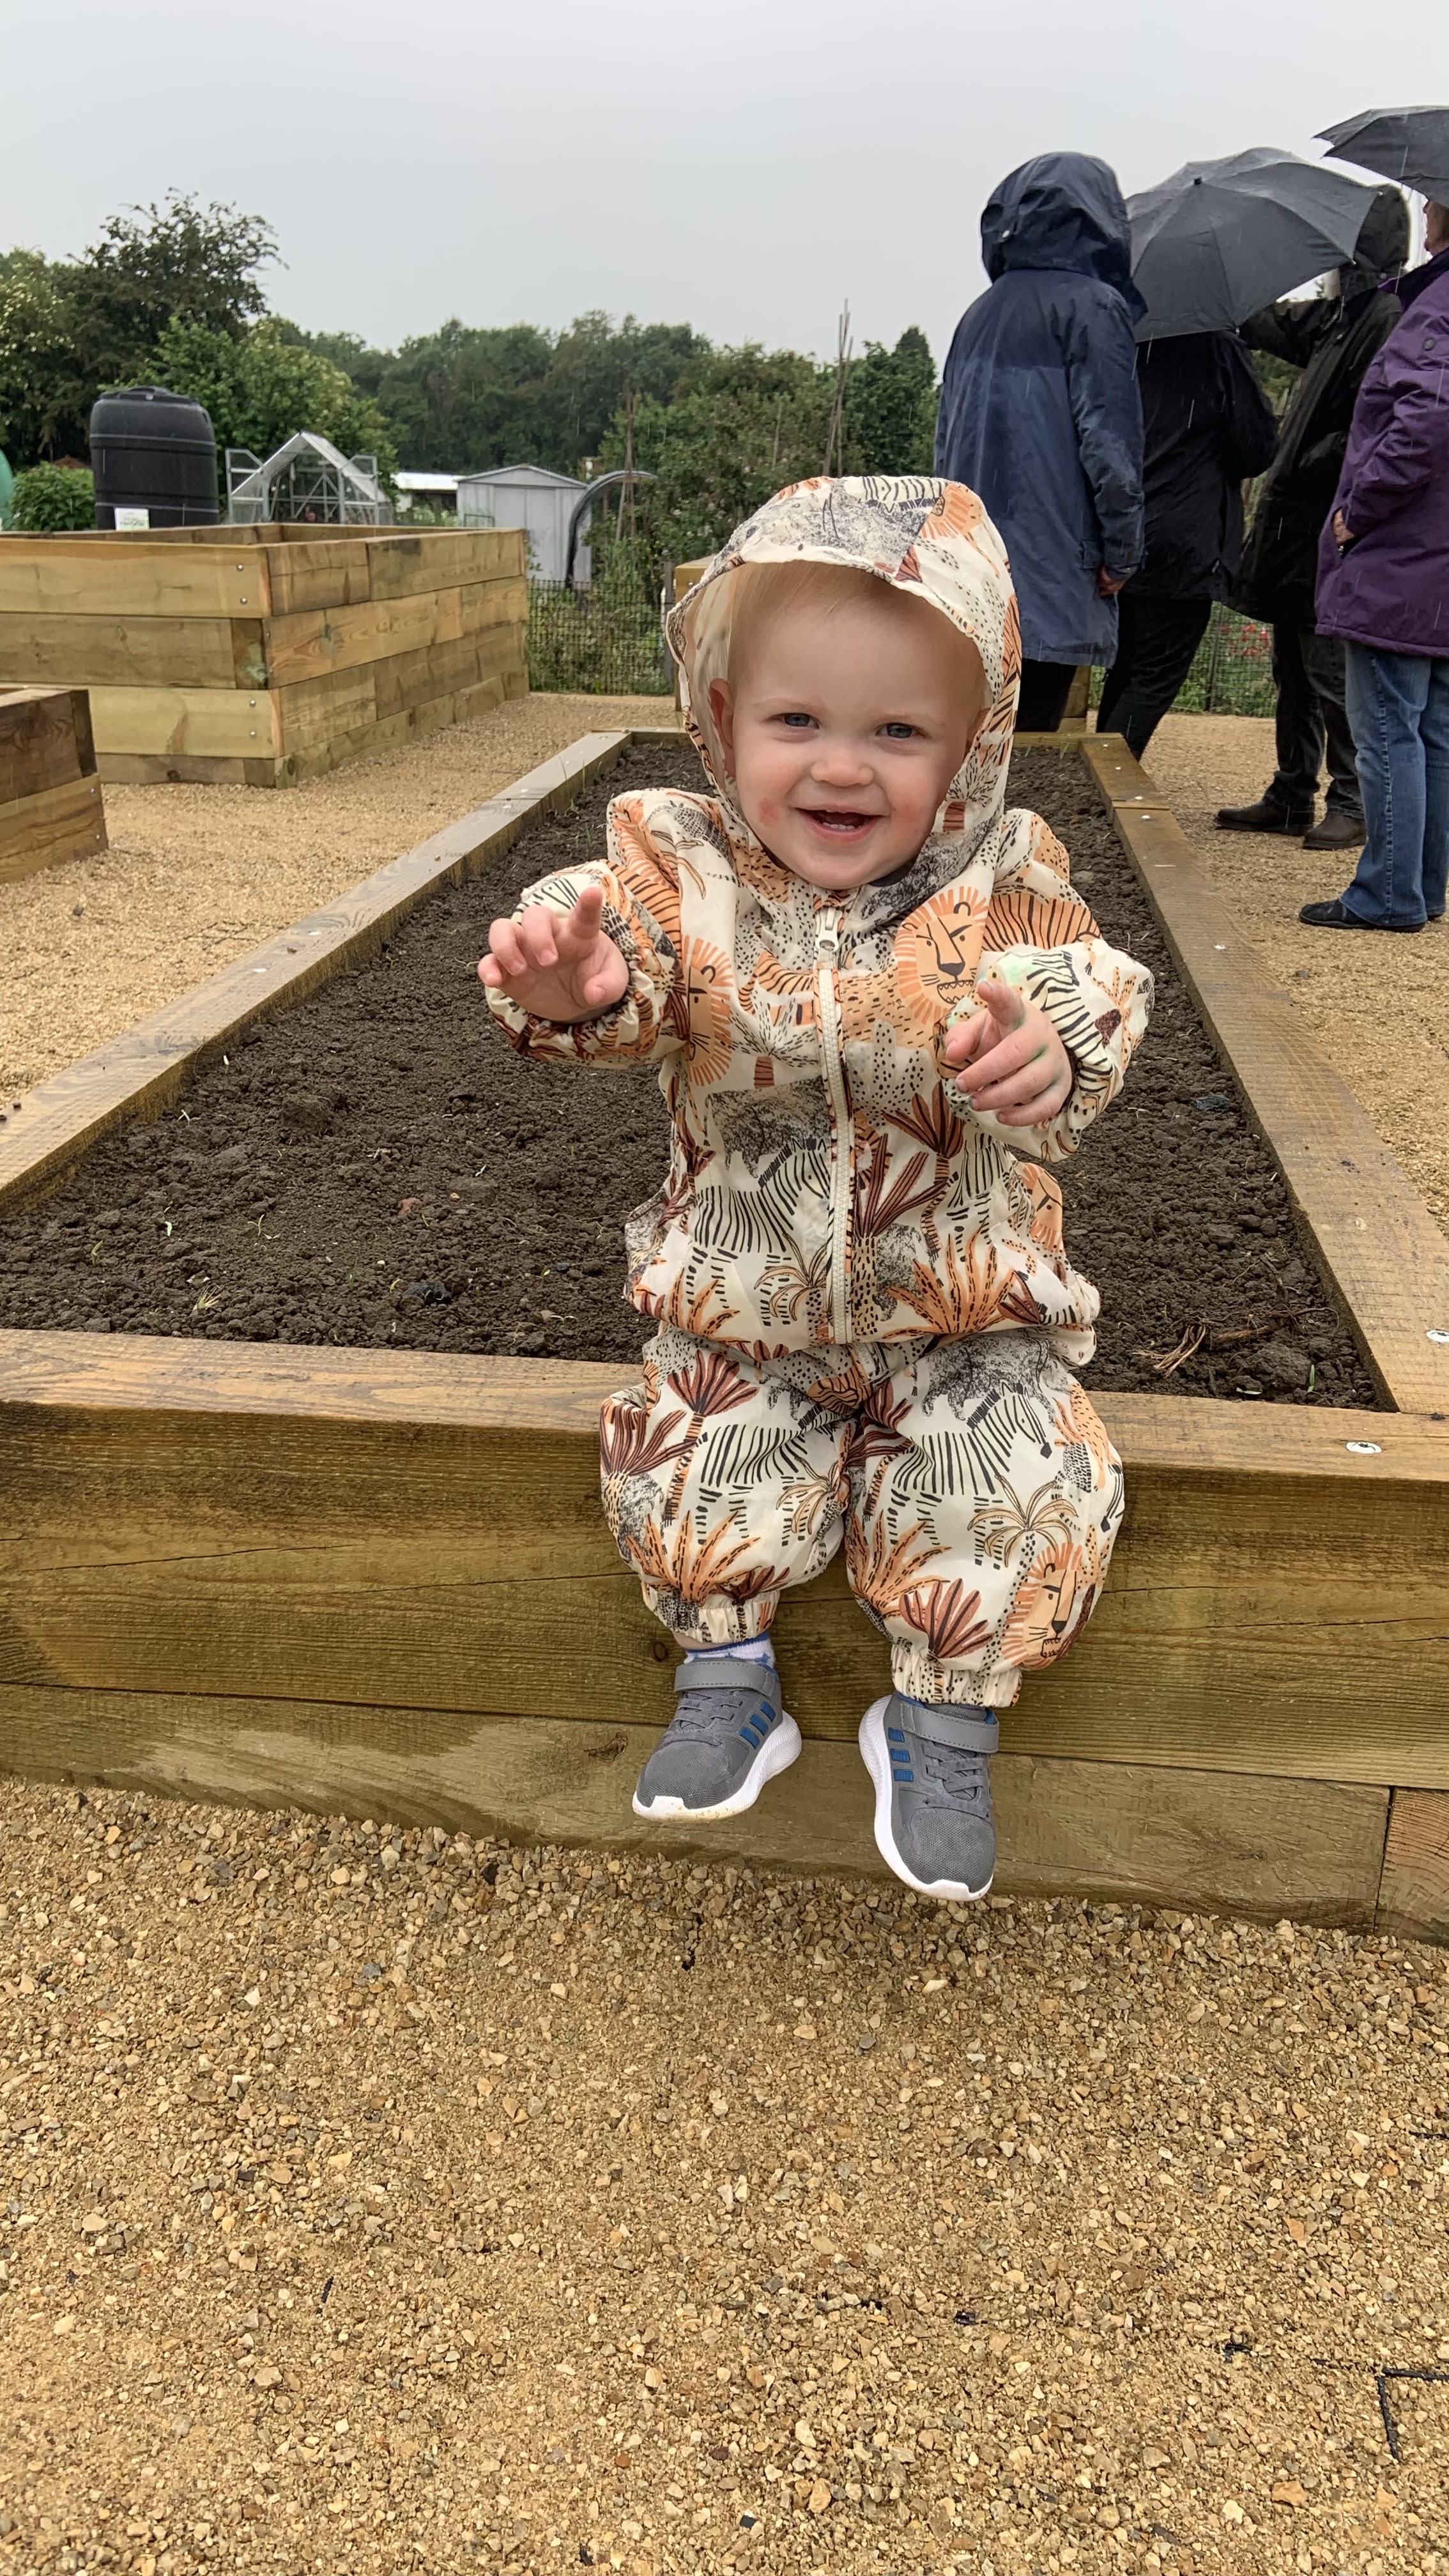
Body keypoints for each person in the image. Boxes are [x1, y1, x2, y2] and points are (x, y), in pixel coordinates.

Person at [480, 477, 1153, 1905]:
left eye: (897, 732)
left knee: (1027, 1474)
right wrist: (582, 982)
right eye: (798, 722)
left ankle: (947, 1720)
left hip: (963, 1315)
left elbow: (1077, 977)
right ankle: (728, 1675)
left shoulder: (1004, 877)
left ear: (971, 753)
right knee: (684, 1450)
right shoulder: (684, 870)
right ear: (723, 723)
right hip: (744, 1313)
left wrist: (1046, 1043)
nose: (841, 768)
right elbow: (629, 959)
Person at [1216, 188, 1411, 850]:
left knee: (1328, 666)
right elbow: (1266, 323)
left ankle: (1351, 798)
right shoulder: (1338, 316)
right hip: (1298, 521)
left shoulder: (1386, 316)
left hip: (1331, 519)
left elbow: (1372, 421)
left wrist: (1314, 464)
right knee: (1293, 665)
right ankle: (1292, 790)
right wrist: (1237, 276)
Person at [933, 154, 1146, 732]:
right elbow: (1110, 446)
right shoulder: (1095, 309)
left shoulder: (978, 314)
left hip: (971, 565)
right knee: (1029, 743)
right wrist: (1122, 552)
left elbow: (945, 443)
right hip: (1053, 563)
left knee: (971, 742)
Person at [1300, 199, 1449, 933]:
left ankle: (1389, 895)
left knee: (1388, 723)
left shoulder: (1438, 306)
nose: (1424, 206)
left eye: (1432, 196)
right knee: (1434, 729)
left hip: (1402, 553)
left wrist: (1358, 508)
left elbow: (1423, 419)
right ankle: (1420, 885)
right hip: (1439, 559)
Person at [1096, 334, 1278, 762]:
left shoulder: (1133, 347)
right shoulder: (1221, 349)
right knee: (1155, 676)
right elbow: (1256, 450)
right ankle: (1103, 783)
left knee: (1126, 672)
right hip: (1187, 535)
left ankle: (1098, 776)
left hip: (1128, 526)